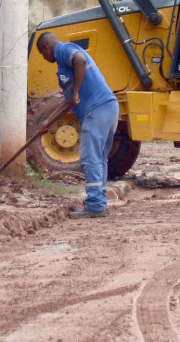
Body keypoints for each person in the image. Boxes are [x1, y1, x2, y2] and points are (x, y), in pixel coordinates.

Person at [35, 32, 119, 218]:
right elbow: (70, 102)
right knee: (99, 158)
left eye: (42, 54)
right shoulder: (63, 67)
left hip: (97, 109)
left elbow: (80, 60)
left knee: (90, 158)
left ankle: (95, 206)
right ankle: (99, 203)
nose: (45, 58)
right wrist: (49, 121)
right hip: (108, 107)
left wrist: (75, 92)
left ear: (46, 47)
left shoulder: (64, 50)